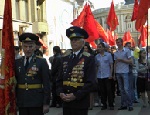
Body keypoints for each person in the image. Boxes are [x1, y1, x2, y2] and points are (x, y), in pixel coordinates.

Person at [56, 26, 96, 115]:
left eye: (76, 39)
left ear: (83, 42)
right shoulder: (65, 58)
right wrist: (60, 92)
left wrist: (75, 95)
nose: (73, 42)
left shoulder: (88, 58)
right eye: (72, 40)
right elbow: (59, 79)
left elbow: (91, 82)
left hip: (80, 101)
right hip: (66, 100)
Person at [15, 33, 50, 115]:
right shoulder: (17, 62)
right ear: (22, 47)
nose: (28, 49)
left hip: (36, 101)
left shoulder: (41, 62)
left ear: (35, 47)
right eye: (25, 46)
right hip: (22, 100)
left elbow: (46, 83)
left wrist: (46, 103)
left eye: (30, 46)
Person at [114, 38, 133, 111]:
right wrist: (114, 73)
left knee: (126, 89)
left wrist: (122, 60)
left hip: (125, 72)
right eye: (117, 42)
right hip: (118, 72)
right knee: (121, 90)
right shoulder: (115, 53)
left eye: (118, 42)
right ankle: (123, 104)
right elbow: (115, 63)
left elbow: (130, 61)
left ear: (122, 43)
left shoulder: (127, 51)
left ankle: (130, 104)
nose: (117, 43)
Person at [95, 42, 114, 110]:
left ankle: (111, 104)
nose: (99, 48)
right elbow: (96, 66)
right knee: (102, 91)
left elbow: (111, 65)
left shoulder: (108, 55)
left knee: (109, 90)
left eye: (100, 47)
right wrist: (96, 76)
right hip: (100, 75)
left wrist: (111, 74)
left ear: (103, 48)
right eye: (98, 47)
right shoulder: (96, 56)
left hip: (107, 75)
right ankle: (104, 104)